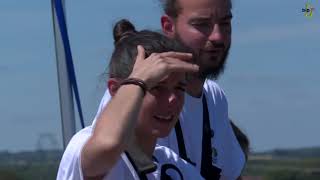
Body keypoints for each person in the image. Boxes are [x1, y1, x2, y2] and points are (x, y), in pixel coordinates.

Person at [94, 0, 248, 179]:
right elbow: (101, 156)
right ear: (168, 26)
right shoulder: (132, 96)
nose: (218, 36)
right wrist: (136, 85)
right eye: (202, 25)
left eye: (225, 23)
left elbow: (229, 174)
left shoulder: (214, 97)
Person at [57, 19, 204, 180]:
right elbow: (108, 145)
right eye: (156, 87)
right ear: (115, 90)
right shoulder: (83, 144)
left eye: (179, 88)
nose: (172, 99)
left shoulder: (172, 165)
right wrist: (138, 80)